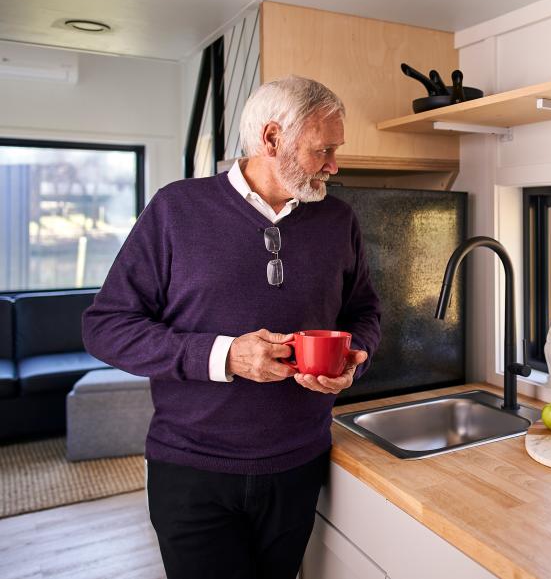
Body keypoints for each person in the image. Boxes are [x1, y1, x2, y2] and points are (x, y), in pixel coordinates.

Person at [82, 75, 381, 579]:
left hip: (299, 463)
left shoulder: (338, 219)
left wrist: (357, 358)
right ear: (271, 140)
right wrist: (223, 356)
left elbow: (364, 313)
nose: (335, 165)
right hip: (192, 470)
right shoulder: (176, 209)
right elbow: (106, 327)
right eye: (323, 150)